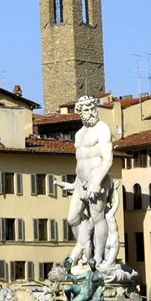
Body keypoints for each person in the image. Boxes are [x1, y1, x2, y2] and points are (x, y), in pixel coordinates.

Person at [55, 96, 115, 267]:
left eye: (92, 108)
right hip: (80, 183)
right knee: (72, 219)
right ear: (79, 112)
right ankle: (85, 248)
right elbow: (80, 163)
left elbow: (108, 159)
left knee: (97, 218)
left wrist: (97, 181)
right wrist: (73, 184)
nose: (91, 112)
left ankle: (98, 257)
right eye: (86, 110)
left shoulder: (102, 129)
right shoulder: (79, 134)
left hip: (98, 180)